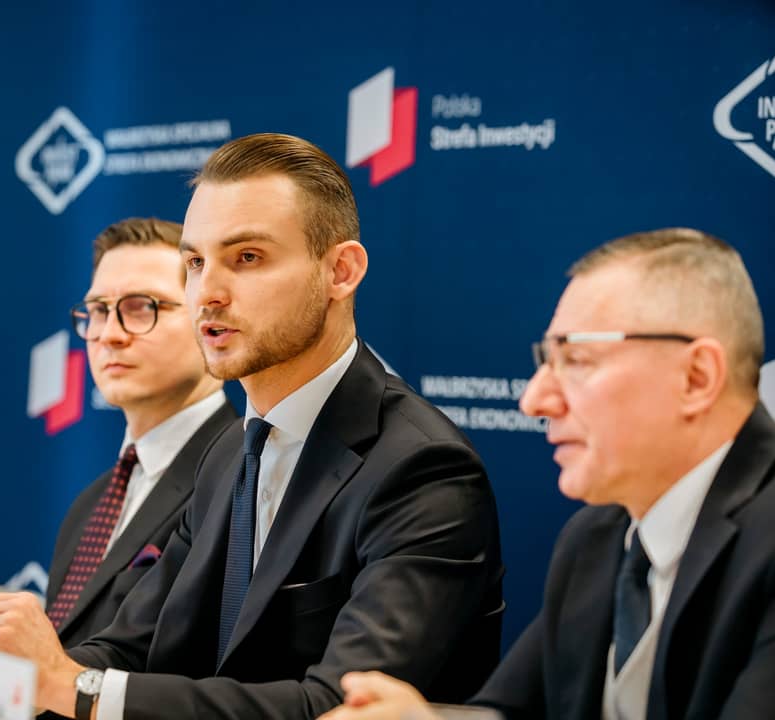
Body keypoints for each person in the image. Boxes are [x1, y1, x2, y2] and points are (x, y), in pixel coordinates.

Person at [0, 132, 503, 720]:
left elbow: (336, 707)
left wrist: (71, 688)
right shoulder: (229, 451)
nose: (206, 294)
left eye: (247, 258)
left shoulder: (423, 470)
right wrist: (15, 673)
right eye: (195, 263)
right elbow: (134, 648)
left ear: (341, 271)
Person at [320, 228, 775, 720]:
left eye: (576, 359)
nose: (534, 401)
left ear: (696, 378)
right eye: (547, 361)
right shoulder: (594, 539)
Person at [47, 217, 235, 647]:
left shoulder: (245, 477)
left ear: (210, 319)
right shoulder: (89, 505)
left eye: (142, 307)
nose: (110, 335)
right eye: (98, 311)